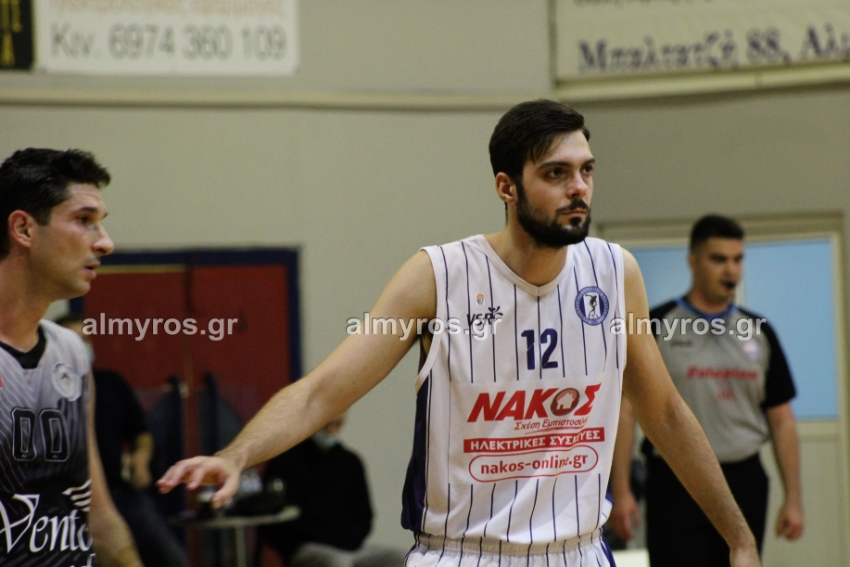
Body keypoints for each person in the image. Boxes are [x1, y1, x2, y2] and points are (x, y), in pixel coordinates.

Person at [159, 100, 763, 567]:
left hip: (579, 551)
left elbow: (666, 413)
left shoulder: (615, 272)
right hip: (464, 553)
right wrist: (237, 454)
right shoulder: (436, 277)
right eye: (556, 173)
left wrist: (739, 538)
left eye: (585, 171)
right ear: (507, 187)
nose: (578, 188)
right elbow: (322, 392)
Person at [607, 215, 804, 566]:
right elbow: (625, 410)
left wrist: (794, 497)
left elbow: (782, 419)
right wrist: (621, 491)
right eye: (718, 259)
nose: (731, 270)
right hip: (675, 481)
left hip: (744, 478)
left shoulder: (760, 331)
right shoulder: (656, 324)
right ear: (693, 261)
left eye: (737, 259)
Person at [0, 148, 143, 566]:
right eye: (84, 220)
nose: (105, 243)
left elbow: (97, 514)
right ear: (23, 229)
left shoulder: (70, 352)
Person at [56, 314, 190, 567]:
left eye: (85, 339)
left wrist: (140, 459)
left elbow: (141, 433)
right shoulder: (45, 389)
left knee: (169, 556)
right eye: (73, 340)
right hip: (64, 498)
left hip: (118, 491)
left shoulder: (110, 383)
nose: (81, 347)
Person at [258, 413, 406, 567]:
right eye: (327, 424)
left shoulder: (351, 462)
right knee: (338, 563)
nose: (331, 430)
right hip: (307, 547)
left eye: (337, 424)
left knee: (402, 559)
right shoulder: (286, 461)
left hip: (351, 547)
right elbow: (277, 521)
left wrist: (347, 541)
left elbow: (364, 517)